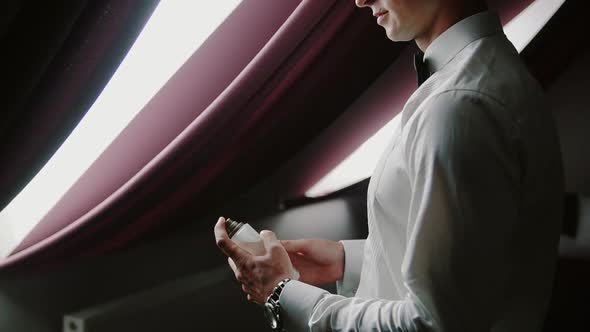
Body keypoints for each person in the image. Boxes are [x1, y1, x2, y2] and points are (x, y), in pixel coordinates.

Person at [214, 0, 564, 330]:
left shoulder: (458, 107)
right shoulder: (486, 72)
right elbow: (478, 262)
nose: (360, 1)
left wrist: (280, 291)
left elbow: (432, 324)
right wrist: (345, 261)